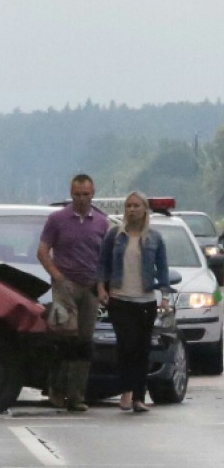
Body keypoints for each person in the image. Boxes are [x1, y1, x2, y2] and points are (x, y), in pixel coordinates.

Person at [37, 174, 111, 411]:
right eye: (77, 194)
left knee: (84, 343)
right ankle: (56, 390)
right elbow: (42, 251)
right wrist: (58, 277)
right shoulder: (57, 220)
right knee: (65, 339)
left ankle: (77, 395)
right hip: (65, 287)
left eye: (86, 194)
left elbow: (105, 259)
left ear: (93, 193)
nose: (81, 199)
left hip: (90, 288)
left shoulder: (101, 222)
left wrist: (102, 287)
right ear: (71, 193)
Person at [96, 191, 171, 413]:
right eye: (128, 205)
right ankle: (126, 391)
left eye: (136, 206)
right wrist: (102, 288)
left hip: (146, 300)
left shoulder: (155, 238)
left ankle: (139, 396)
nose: (131, 209)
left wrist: (164, 297)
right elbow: (103, 264)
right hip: (120, 298)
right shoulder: (114, 235)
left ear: (145, 209)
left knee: (141, 348)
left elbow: (163, 268)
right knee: (126, 345)